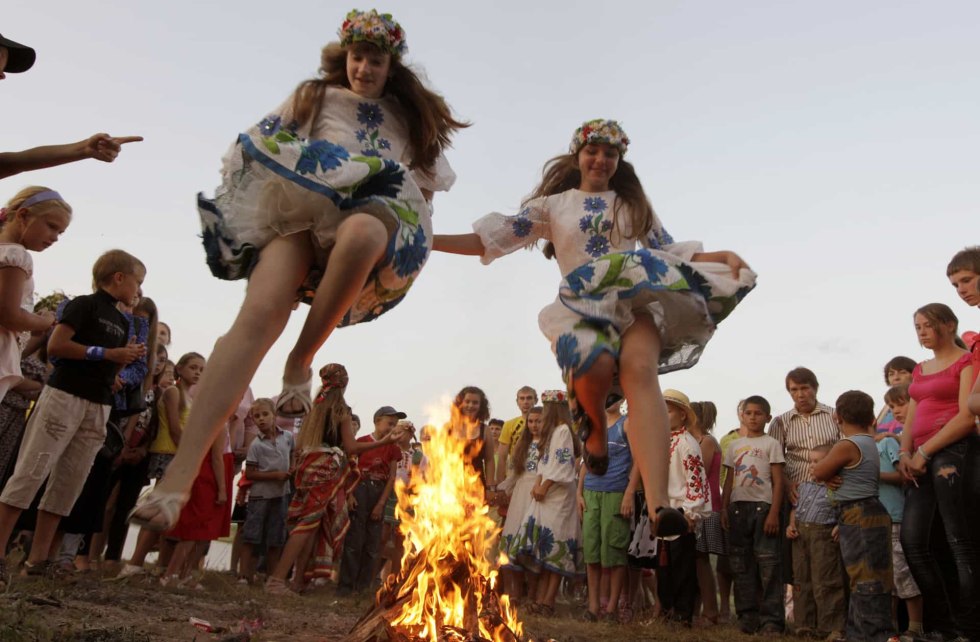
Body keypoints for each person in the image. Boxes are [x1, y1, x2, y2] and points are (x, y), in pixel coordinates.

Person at [130, 8, 466, 530]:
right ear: (345, 57)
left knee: (365, 233)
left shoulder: (408, 118)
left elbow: (421, 189)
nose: (364, 69)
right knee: (257, 316)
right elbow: (265, 144)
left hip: (371, 211)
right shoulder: (316, 96)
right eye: (357, 57)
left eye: (375, 60)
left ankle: (301, 358)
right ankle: (177, 476)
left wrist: (414, 234)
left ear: (390, 65)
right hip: (302, 208)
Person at [434, 119, 754, 537]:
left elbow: (665, 248)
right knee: (596, 365)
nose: (601, 159)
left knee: (640, 372)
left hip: (632, 298)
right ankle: (596, 432)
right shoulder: (553, 206)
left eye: (610, 153)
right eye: (593, 151)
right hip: (581, 304)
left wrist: (720, 253)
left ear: (619, 160)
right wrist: (429, 240)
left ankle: (660, 507)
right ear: (577, 156)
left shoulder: (631, 204)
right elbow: (493, 239)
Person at [0, 249, 145, 588]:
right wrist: (107, 354)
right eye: (138, 281)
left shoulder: (124, 322)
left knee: (70, 482)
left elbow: (108, 364)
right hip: (63, 396)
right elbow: (57, 347)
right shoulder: (83, 305)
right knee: (31, 471)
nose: (139, 289)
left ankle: (38, 561)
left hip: (98, 405)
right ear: (119, 277)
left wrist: (120, 364)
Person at [265, 364, 403, 594]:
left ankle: (299, 581)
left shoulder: (315, 405)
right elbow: (351, 446)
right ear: (345, 383)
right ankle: (277, 579)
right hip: (327, 468)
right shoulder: (341, 409)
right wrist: (386, 441)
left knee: (313, 524)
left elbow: (301, 443)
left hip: (309, 464)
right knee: (307, 524)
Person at [898, 303, 979, 641]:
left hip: (952, 452)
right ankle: (945, 626)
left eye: (928, 325)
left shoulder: (966, 361)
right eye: (917, 326)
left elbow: (966, 415)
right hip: (918, 457)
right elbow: (911, 417)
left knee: (959, 541)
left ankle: (971, 630)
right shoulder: (920, 369)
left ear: (948, 325)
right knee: (913, 541)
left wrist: (925, 451)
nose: (921, 331)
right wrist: (905, 451)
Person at [812, 391, 895, 642]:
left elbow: (818, 471)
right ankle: (861, 634)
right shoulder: (870, 442)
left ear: (837, 416)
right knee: (871, 575)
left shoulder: (847, 445)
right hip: (871, 510)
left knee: (865, 579)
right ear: (871, 416)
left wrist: (827, 473)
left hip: (857, 513)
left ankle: (873, 635)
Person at [511, 390, 582, 616]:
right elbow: (544, 463)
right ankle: (541, 598)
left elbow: (562, 466)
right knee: (544, 548)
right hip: (547, 494)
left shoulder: (562, 431)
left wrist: (545, 485)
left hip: (559, 496)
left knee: (556, 545)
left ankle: (548, 601)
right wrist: (539, 481)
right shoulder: (552, 433)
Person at [721, 395, 785, 636]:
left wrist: (774, 514)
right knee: (741, 565)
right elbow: (728, 481)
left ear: (767, 417)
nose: (753, 417)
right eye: (748, 413)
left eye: (758, 413)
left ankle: (772, 621)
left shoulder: (771, 444)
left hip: (763, 508)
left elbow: (778, 482)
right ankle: (747, 617)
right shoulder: (735, 445)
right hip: (738, 509)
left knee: (768, 565)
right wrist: (724, 508)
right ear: (742, 416)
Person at [0, 187, 70, 401]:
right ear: (23, 215)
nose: (56, 238)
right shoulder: (16, 255)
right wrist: (43, 321)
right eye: (52, 227)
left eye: (60, 232)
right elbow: (8, 315)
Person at [577, 391, 633, 623]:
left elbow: (639, 460)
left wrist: (629, 493)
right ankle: (593, 607)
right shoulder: (592, 423)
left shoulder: (627, 424)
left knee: (614, 551)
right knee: (591, 551)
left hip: (616, 492)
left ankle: (611, 609)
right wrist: (579, 492)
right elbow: (585, 460)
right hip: (590, 491)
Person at [338, 404, 405, 595]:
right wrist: (349, 495)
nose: (392, 428)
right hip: (360, 489)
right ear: (377, 421)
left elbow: (392, 477)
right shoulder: (362, 442)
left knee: (373, 544)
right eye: (389, 423)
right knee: (354, 540)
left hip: (379, 491)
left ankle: (363, 587)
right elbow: (350, 470)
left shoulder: (393, 449)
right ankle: (345, 586)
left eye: (395, 425)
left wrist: (381, 504)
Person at [876, 387, 923, 641]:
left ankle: (915, 628)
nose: (895, 411)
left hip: (898, 516)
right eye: (892, 407)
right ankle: (892, 630)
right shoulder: (892, 440)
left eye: (900, 404)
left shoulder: (892, 442)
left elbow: (902, 477)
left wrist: (874, 475)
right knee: (889, 579)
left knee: (904, 576)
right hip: (883, 519)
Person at [784, 443, 845, 640]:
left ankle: (831, 627)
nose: (812, 466)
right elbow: (795, 509)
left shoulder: (838, 488)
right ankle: (804, 625)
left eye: (818, 462)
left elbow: (845, 509)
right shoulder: (804, 486)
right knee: (802, 581)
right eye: (811, 461)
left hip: (823, 537)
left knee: (826, 581)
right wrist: (791, 525)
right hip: (801, 536)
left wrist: (840, 525)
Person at [239, 397, 293, 585]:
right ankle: (245, 575)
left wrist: (290, 471)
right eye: (256, 416)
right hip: (260, 496)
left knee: (276, 537)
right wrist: (275, 475)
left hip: (281, 494)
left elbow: (292, 457)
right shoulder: (256, 445)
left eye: (265, 414)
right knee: (252, 536)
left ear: (274, 415)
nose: (261, 419)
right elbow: (251, 473)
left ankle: (271, 577)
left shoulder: (287, 438)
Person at [499, 405, 544, 604]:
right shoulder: (522, 445)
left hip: (539, 496)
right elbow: (515, 473)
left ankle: (533, 594)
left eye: (538, 421)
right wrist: (501, 490)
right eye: (531, 421)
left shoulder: (551, 444)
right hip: (520, 494)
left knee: (534, 545)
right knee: (512, 541)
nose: (534, 425)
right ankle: (513, 592)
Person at [689, 399, 723, 626]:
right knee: (695, 559)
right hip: (699, 506)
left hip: (708, 507)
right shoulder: (696, 440)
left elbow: (697, 471)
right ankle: (698, 609)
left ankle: (711, 611)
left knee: (701, 560)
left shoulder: (707, 441)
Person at [448, 386, 495, 491]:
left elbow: (489, 460)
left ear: (481, 406)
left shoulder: (485, 430)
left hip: (476, 485)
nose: (470, 405)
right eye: (467, 401)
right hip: (450, 485)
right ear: (460, 403)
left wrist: (490, 485)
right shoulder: (448, 428)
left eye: (475, 403)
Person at [494, 386, 538, 490]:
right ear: (517, 401)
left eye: (529, 398)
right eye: (522, 398)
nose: (525, 402)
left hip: (538, 472)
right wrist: (501, 484)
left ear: (535, 400)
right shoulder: (509, 424)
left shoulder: (546, 423)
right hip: (516, 473)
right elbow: (502, 457)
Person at [876, 357, 915, 438]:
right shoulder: (886, 408)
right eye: (891, 374)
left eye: (903, 372)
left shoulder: (920, 399)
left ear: (914, 374)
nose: (896, 378)